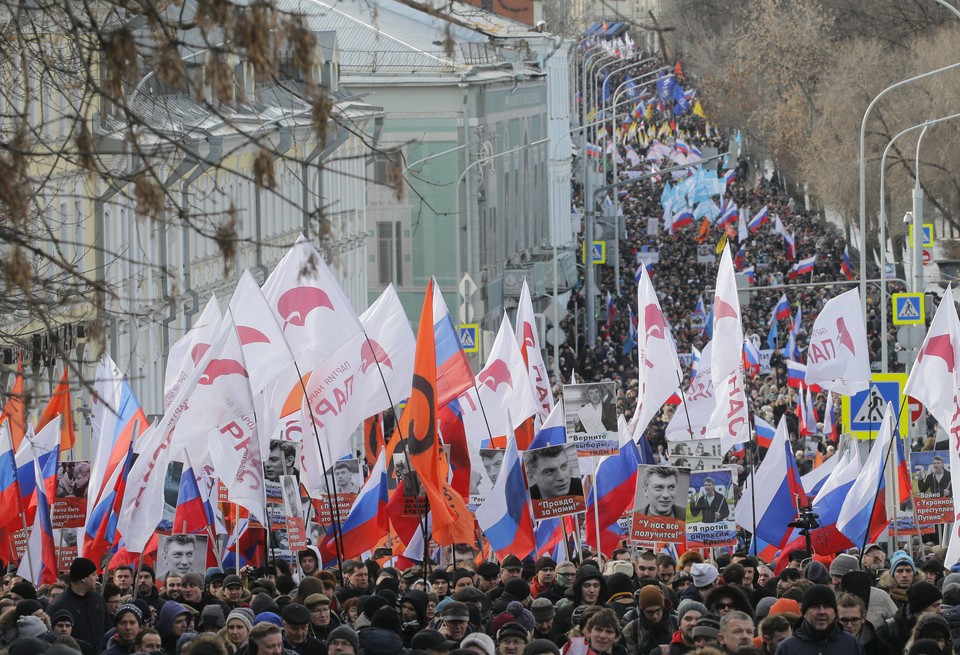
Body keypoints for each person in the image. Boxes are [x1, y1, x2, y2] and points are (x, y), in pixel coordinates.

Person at [775, 585, 864, 655]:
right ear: (804, 613)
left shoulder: (852, 645)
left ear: (835, 612)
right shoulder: (787, 648)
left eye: (827, 607)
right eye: (815, 607)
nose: (822, 612)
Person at [45, 557, 110, 649]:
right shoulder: (58, 606)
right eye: (93, 574)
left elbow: (107, 628)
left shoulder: (98, 599)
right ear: (83, 578)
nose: (96, 577)